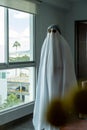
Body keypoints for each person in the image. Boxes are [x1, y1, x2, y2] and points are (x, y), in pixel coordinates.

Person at [33, 24, 77, 130]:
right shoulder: (46, 45)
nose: (52, 34)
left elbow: (68, 65)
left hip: (60, 79)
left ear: (58, 32)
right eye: (50, 32)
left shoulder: (64, 45)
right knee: (47, 98)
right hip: (47, 79)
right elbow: (43, 65)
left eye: (54, 32)